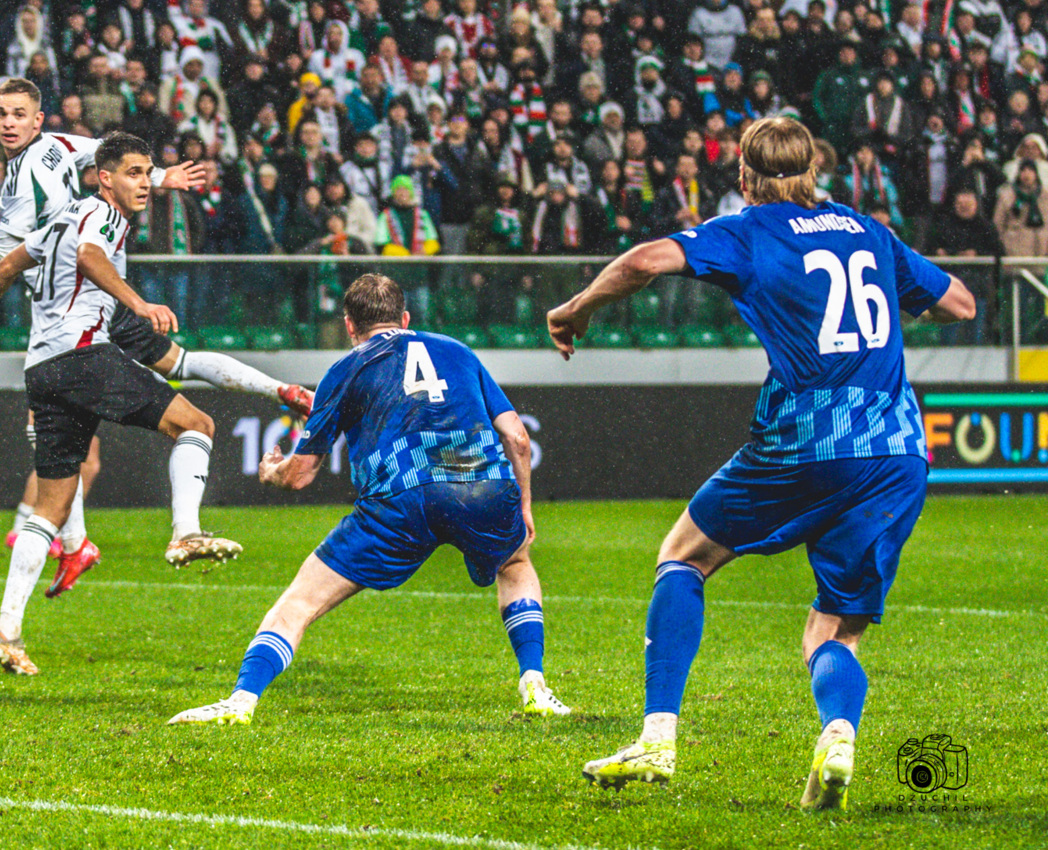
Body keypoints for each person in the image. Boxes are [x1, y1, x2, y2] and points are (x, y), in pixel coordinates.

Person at [548, 117, 974, 809]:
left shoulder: (749, 228)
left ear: (743, 175)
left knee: (684, 555)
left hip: (809, 439)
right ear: (816, 168)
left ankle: (658, 737)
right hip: (896, 449)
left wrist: (574, 309)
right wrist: (899, 318)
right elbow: (960, 301)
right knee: (834, 628)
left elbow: (642, 262)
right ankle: (837, 730)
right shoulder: (869, 230)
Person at [168, 273, 568, 727]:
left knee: (299, 602)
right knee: (514, 564)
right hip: (481, 487)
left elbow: (300, 476)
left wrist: (271, 471)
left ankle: (241, 701)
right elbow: (516, 436)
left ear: (349, 326)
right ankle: (534, 682)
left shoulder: (346, 369)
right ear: (405, 317)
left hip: (400, 501)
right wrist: (524, 506)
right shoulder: (458, 350)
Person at [0, 78, 314, 562]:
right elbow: (16, 252)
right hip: (82, 301)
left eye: (17, 113)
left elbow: (99, 164)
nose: (7, 123)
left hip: (79, 304)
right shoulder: (44, 164)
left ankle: (71, 540)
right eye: (0, 113)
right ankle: (81, 540)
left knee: (71, 422)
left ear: (36, 118)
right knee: (174, 375)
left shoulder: (49, 156)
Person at [0, 132, 236, 676]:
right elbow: (89, 257)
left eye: (148, 172)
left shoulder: (61, 216)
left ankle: (6, 632)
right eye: (133, 172)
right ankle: (185, 533)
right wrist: (138, 301)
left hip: (42, 370)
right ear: (104, 177)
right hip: (84, 357)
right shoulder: (101, 216)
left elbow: (8, 264)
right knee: (196, 424)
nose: (145, 183)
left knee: (51, 508)